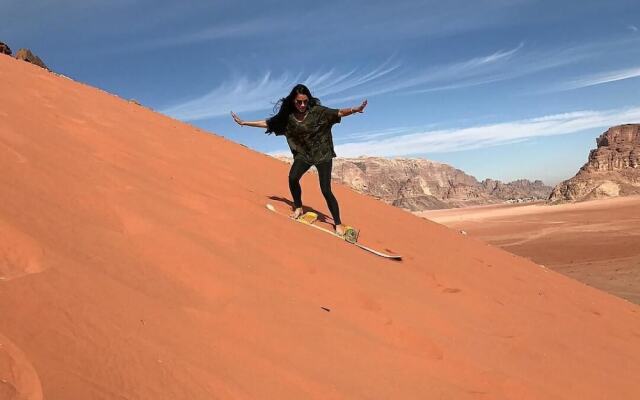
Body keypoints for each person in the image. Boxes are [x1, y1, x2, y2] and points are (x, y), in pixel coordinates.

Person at [231, 84, 367, 236]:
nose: (302, 105)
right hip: (304, 154)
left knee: (326, 190)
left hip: (323, 154)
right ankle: (298, 207)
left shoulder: (318, 112)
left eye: (305, 101)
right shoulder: (288, 118)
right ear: (292, 101)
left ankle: (338, 223)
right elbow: (269, 123)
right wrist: (244, 123)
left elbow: (339, 112)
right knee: (293, 178)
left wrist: (355, 110)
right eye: (298, 102)